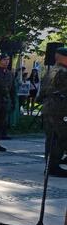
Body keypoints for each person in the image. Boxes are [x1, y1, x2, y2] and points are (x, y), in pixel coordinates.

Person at [37, 46, 67, 177]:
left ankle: (51, 165)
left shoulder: (51, 71)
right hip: (59, 110)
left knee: (52, 138)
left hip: (49, 108)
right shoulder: (63, 72)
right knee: (60, 138)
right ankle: (52, 167)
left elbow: (41, 93)